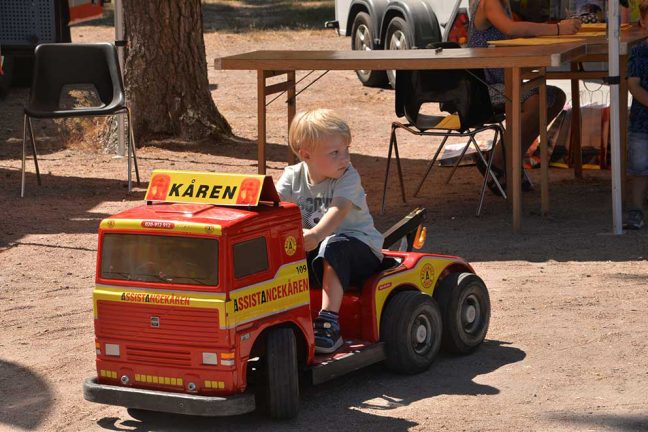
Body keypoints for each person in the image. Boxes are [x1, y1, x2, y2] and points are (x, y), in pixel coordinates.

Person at [276, 109, 384, 353]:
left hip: (361, 251)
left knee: (332, 244)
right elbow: (276, 207)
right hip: (318, 251)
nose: (344, 159)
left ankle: (328, 322)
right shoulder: (292, 176)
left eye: (346, 150)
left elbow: (338, 211)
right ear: (306, 155)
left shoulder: (348, 177)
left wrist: (314, 235)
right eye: (335, 153)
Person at [467, 0, 581, 194]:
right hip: (486, 87)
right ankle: (500, 160)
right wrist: (557, 29)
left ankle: (502, 158)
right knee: (539, 100)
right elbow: (511, 29)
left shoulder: (504, 4)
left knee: (554, 97)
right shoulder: (489, 2)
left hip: (504, 80)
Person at [624, 0, 648, 229]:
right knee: (639, 168)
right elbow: (633, 85)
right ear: (643, 22)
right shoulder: (639, 53)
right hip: (642, 122)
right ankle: (636, 209)